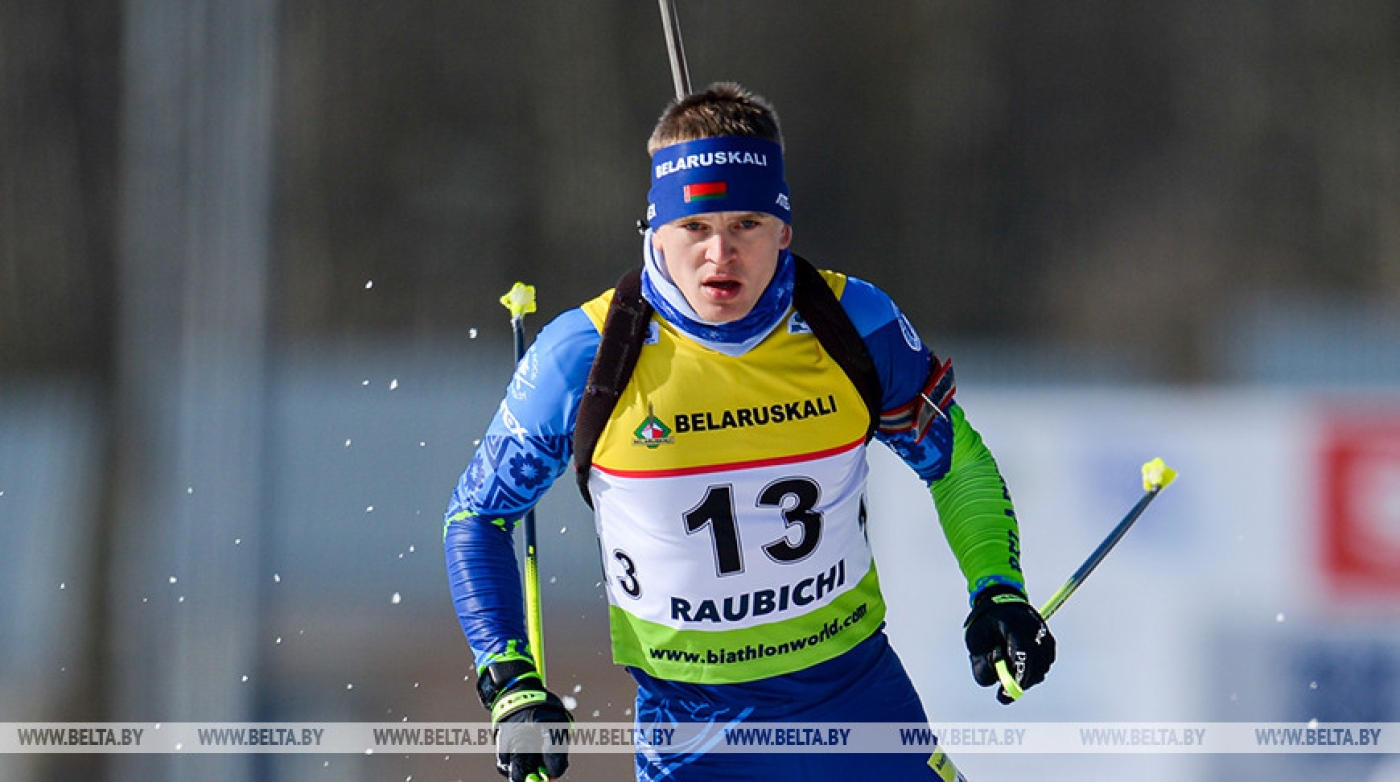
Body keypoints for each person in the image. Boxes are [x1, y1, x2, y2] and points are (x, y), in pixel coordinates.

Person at [444, 82, 1055, 782]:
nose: (719, 255)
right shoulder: (583, 354)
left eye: (746, 226)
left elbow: (954, 460)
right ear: (656, 231)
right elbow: (479, 516)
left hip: (855, 708)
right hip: (695, 735)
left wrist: (997, 589)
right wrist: (510, 681)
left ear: (784, 230)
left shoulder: (853, 322)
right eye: (695, 228)